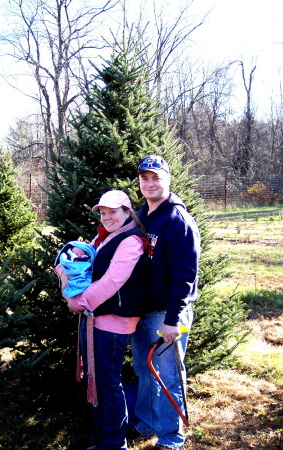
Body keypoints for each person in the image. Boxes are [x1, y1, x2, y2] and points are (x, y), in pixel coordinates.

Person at [60, 189, 148, 450]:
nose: (107, 217)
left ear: (126, 212)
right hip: (94, 320)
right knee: (95, 381)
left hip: (114, 323)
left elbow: (112, 281)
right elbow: (81, 264)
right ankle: (100, 438)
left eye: (113, 212)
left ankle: (113, 443)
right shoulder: (104, 238)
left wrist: (79, 302)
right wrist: (64, 268)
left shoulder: (131, 241)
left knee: (108, 384)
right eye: (103, 213)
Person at [130, 155, 201, 450]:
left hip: (166, 315)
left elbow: (185, 274)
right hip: (140, 312)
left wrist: (173, 318)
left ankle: (171, 438)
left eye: (156, 178)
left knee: (169, 375)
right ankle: (146, 424)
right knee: (144, 372)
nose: (149, 184)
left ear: (168, 180)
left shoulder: (178, 220)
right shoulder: (141, 216)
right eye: (144, 179)